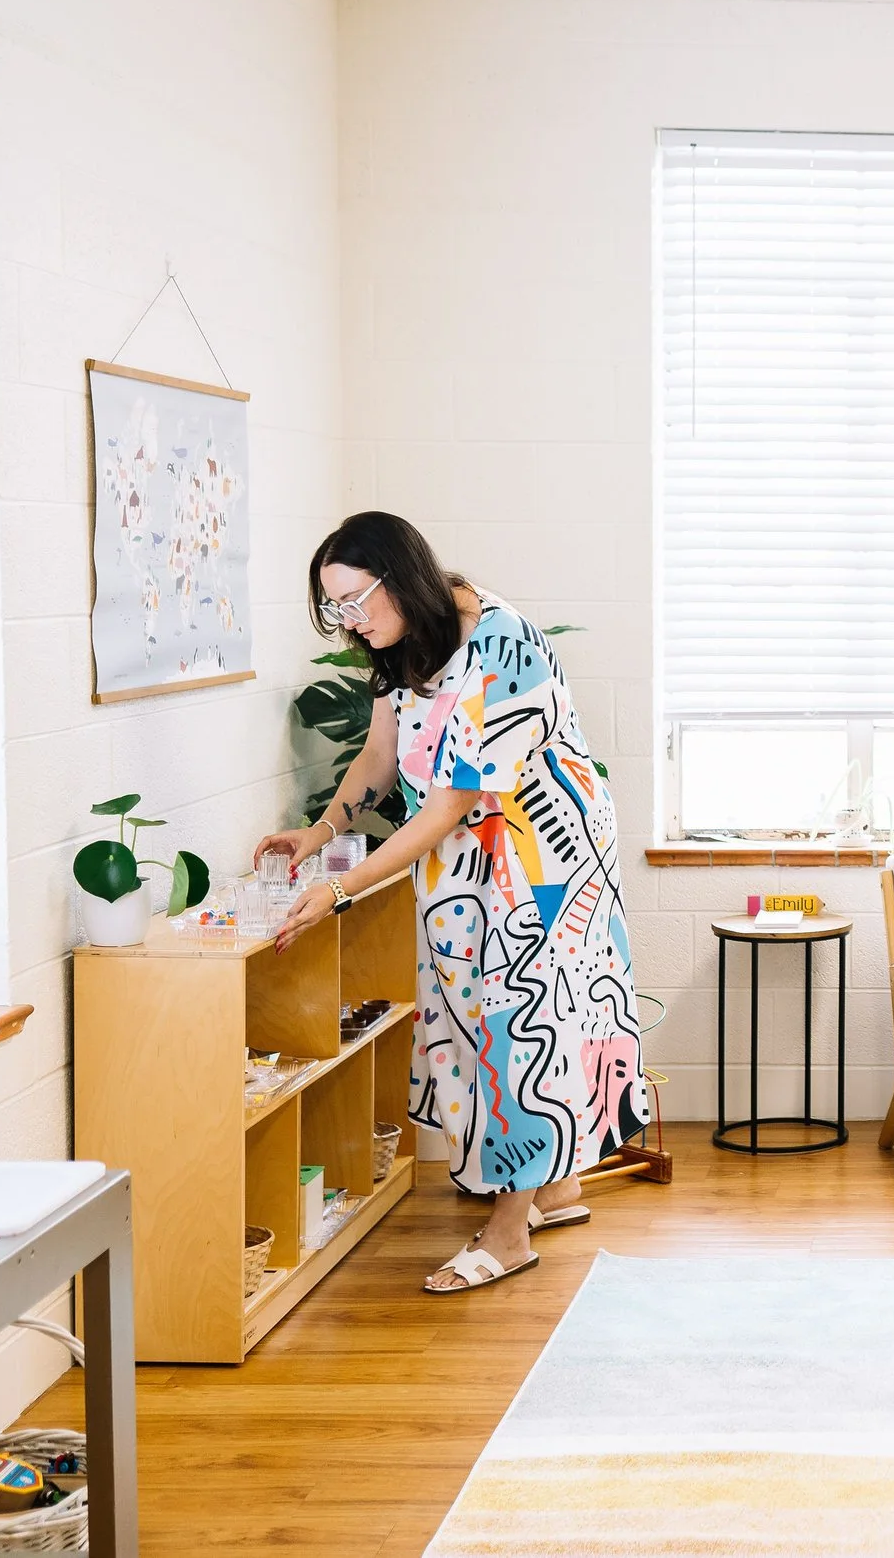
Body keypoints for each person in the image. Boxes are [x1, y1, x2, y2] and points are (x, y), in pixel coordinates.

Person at [259, 512, 648, 1293]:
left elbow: (447, 804)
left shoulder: (500, 645)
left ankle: (509, 1233)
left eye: (356, 599)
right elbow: (379, 754)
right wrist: (323, 829)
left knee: (521, 1030)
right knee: (470, 1017)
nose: (351, 621)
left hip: (539, 862)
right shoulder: (397, 644)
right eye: (335, 607)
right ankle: (556, 1188)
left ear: (400, 577)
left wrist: (337, 888)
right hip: (465, 867)